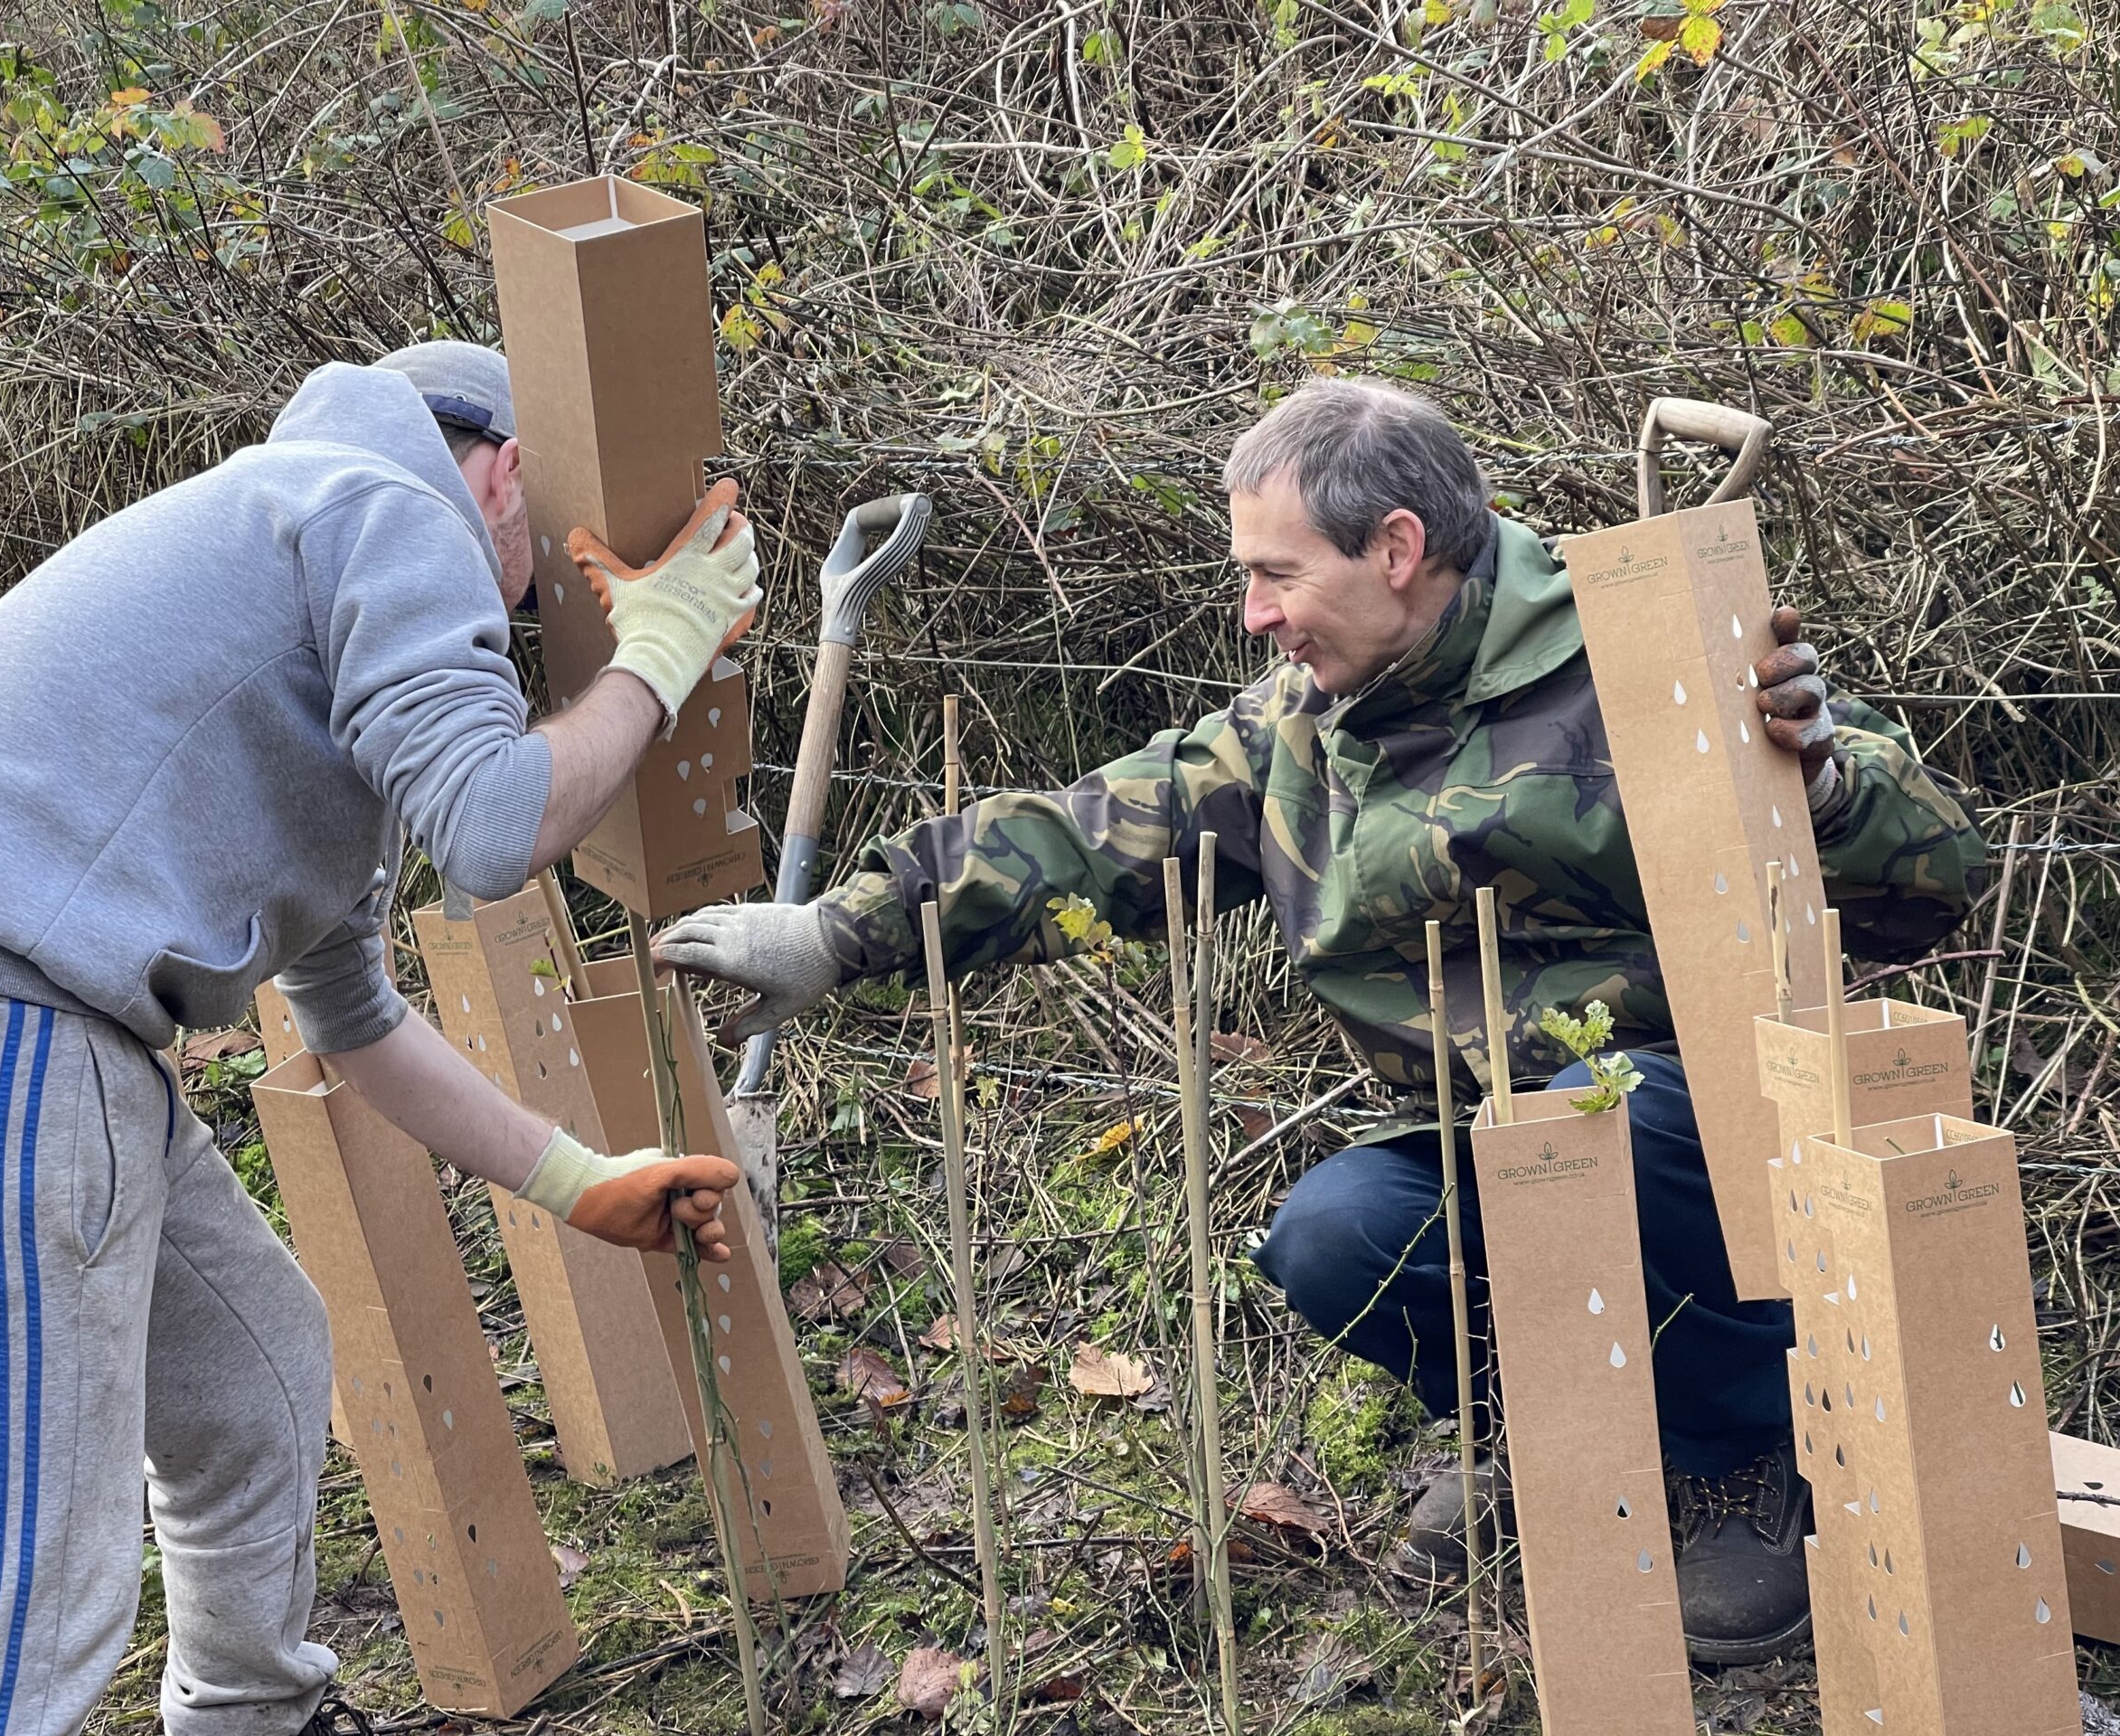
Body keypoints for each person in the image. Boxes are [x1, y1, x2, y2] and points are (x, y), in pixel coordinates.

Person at [657, 376, 1985, 1666]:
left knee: (1611, 1124)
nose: (1253, 616)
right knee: (1335, 1235)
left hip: (1706, 1137)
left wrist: (1816, 788)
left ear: (1398, 549)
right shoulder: (1303, 729)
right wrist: (843, 931)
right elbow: (1088, 837)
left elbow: (1940, 876)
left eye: (1277, 574)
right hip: (1484, 1140)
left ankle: (1743, 1451)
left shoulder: (1640, 655)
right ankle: (1577, 1430)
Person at [0, 341, 758, 1734]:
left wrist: (580, 1182)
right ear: (501, 474)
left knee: (256, 1369)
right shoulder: (383, 507)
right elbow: (498, 830)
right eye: (546, 574)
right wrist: (660, 657)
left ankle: (254, 1712)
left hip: (39, 1033)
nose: (528, 620)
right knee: (24, 1596)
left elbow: (356, 1022)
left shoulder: (301, 606)